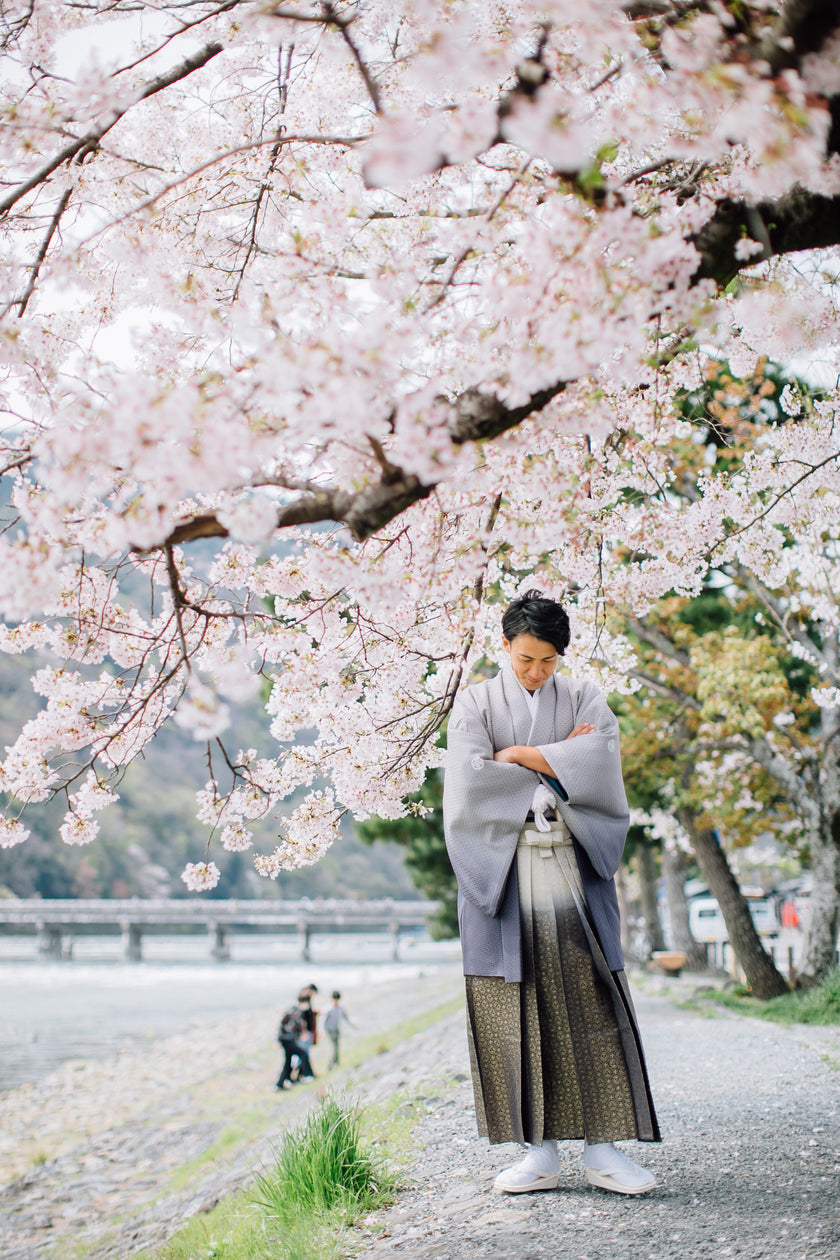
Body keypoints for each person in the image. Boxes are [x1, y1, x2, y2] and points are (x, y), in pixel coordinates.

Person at [443, 589, 660, 1196]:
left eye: (548, 661)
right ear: (505, 646)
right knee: (515, 1005)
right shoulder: (475, 703)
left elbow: (601, 760)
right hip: (506, 873)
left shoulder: (585, 695)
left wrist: (522, 755)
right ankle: (537, 1152)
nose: (537, 672)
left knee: (592, 999)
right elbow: (468, 784)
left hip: (574, 867)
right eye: (526, 659)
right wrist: (557, 763)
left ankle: (604, 1149)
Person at [275, 1002, 314, 1090]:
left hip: (287, 1040)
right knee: (302, 1053)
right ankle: (307, 1075)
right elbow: (284, 1024)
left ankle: (280, 1084)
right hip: (287, 1040)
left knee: (288, 1062)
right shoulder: (294, 1012)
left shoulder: (295, 1011)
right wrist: (277, 1039)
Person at [323, 990, 354, 1068]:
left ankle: (336, 1062)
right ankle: (332, 1064)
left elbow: (345, 1017)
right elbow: (323, 1020)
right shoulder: (328, 1008)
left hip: (336, 1028)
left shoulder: (340, 1008)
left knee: (337, 1046)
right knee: (333, 1047)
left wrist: (352, 1024)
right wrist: (322, 1031)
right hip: (330, 1029)